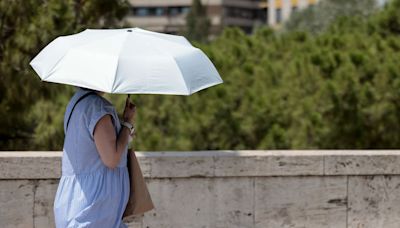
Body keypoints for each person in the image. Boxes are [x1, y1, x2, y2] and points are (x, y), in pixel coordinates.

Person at [54, 87, 136, 227]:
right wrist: (127, 123)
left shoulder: (77, 102)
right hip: (93, 211)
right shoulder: (97, 108)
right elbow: (111, 159)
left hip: (81, 205)